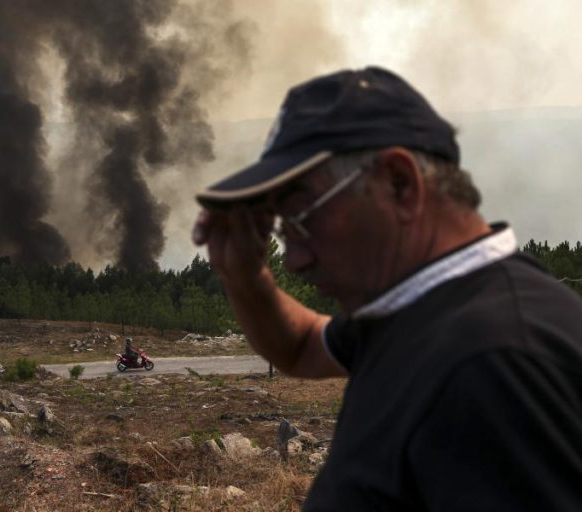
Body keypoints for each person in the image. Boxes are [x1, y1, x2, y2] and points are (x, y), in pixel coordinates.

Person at [192, 66, 582, 511]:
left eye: (302, 218)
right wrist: (243, 274)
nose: (295, 261)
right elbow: (299, 346)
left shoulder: (493, 364)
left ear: (399, 183)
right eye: (283, 230)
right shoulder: (416, 313)